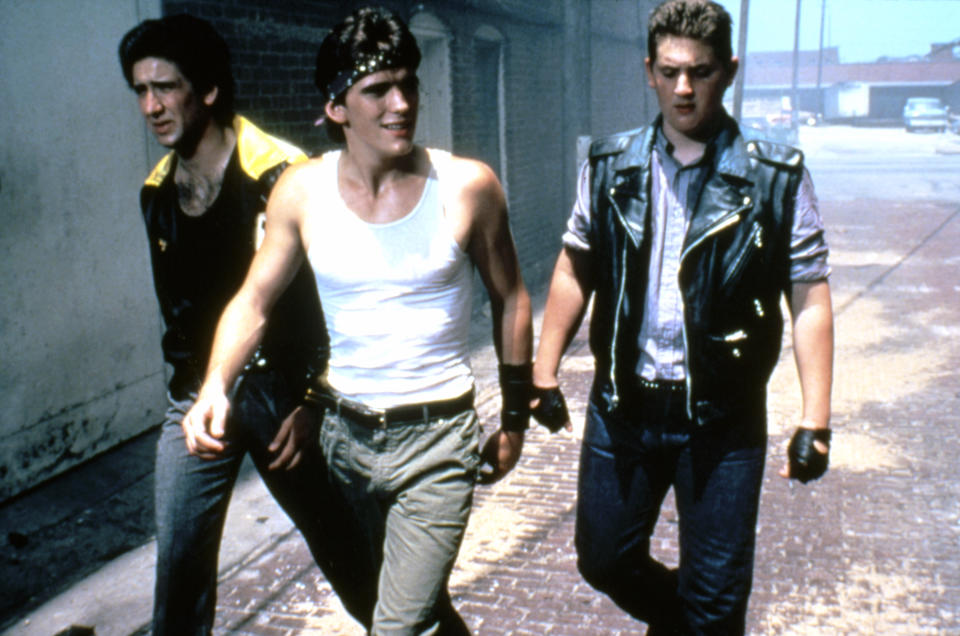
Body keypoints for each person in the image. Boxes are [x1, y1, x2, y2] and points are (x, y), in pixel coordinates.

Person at [182, 6, 534, 634]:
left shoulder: (467, 187)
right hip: (341, 444)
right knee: (384, 604)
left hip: (435, 441)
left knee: (397, 625)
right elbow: (254, 301)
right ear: (337, 107)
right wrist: (213, 385)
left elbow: (512, 298)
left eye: (409, 85)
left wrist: (513, 418)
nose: (401, 104)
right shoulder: (302, 191)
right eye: (378, 90)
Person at [530, 0, 835, 633]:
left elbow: (808, 298)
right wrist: (543, 369)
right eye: (670, 72)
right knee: (604, 557)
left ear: (729, 70)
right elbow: (573, 266)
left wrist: (815, 420)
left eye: (700, 71)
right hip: (624, 410)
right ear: (649, 71)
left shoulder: (774, 178)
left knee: (717, 601)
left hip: (722, 425)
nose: (684, 88)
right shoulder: (610, 166)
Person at [118, 15, 366, 634]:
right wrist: (191, 393)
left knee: (355, 564)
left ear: (207, 91)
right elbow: (181, 318)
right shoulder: (156, 194)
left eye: (166, 88)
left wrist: (315, 399)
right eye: (141, 91)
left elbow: (344, 299)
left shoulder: (282, 174)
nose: (151, 107)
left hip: (287, 400)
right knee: (176, 579)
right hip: (200, 400)